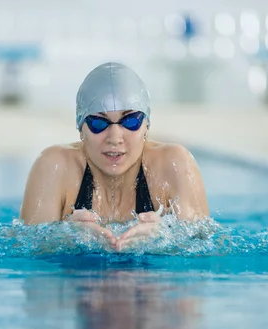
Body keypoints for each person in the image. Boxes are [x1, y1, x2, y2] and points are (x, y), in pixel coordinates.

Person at [20, 62, 209, 251]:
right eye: (99, 123)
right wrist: (68, 238)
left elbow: (205, 248)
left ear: (146, 125)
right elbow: (27, 251)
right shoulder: (54, 167)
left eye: (130, 121)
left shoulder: (173, 165)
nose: (115, 138)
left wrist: (163, 238)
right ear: (81, 127)